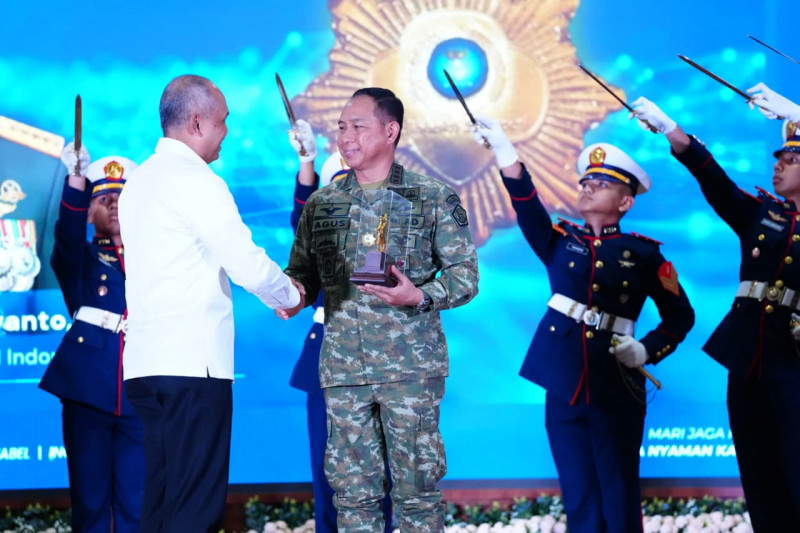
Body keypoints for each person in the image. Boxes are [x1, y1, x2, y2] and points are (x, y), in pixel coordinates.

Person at [471, 119, 694, 533]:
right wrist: (505, 152)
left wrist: (646, 350)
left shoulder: (644, 254)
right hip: (564, 381)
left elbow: (682, 316)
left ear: (625, 202)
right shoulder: (560, 240)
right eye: (585, 180)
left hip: (616, 383)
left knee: (618, 493)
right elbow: (527, 207)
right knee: (579, 495)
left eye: (602, 183)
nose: (587, 187)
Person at [281, 87, 479, 532]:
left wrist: (419, 295)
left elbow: (465, 277)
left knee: (416, 495)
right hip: (344, 372)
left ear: (391, 131)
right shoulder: (322, 203)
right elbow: (304, 274)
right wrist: (289, 294)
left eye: (358, 126)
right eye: (342, 127)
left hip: (410, 371)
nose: (346, 136)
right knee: (352, 498)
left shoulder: (432, 198)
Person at [118, 74, 302, 533]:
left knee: (160, 502)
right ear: (197, 122)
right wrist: (291, 294)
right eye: (223, 122)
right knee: (195, 509)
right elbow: (245, 263)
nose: (227, 132)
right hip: (192, 368)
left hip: (145, 366)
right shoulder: (197, 180)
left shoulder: (137, 182)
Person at [631, 87, 800, 531]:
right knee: (761, 482)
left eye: (792, 159)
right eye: (778, 157)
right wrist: (673, 132)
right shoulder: (764, 215)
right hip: (748, 358)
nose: (777, 164)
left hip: (795, 362)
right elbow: (716, 183)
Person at [287, 120, 395, 533]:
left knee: (379, 475)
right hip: (325, 364)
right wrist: (307, 164)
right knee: (327, 472)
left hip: (380, 366)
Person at [39, 146, 144, 533]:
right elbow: (66, 238)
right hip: (88, 391)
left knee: (139, 502)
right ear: (88, 209)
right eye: (104, 198)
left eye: (123, 197)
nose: (114, 205)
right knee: (91, 502)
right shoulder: (79, 258)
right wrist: (76, 181)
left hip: (141, 388)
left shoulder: (154, 258)